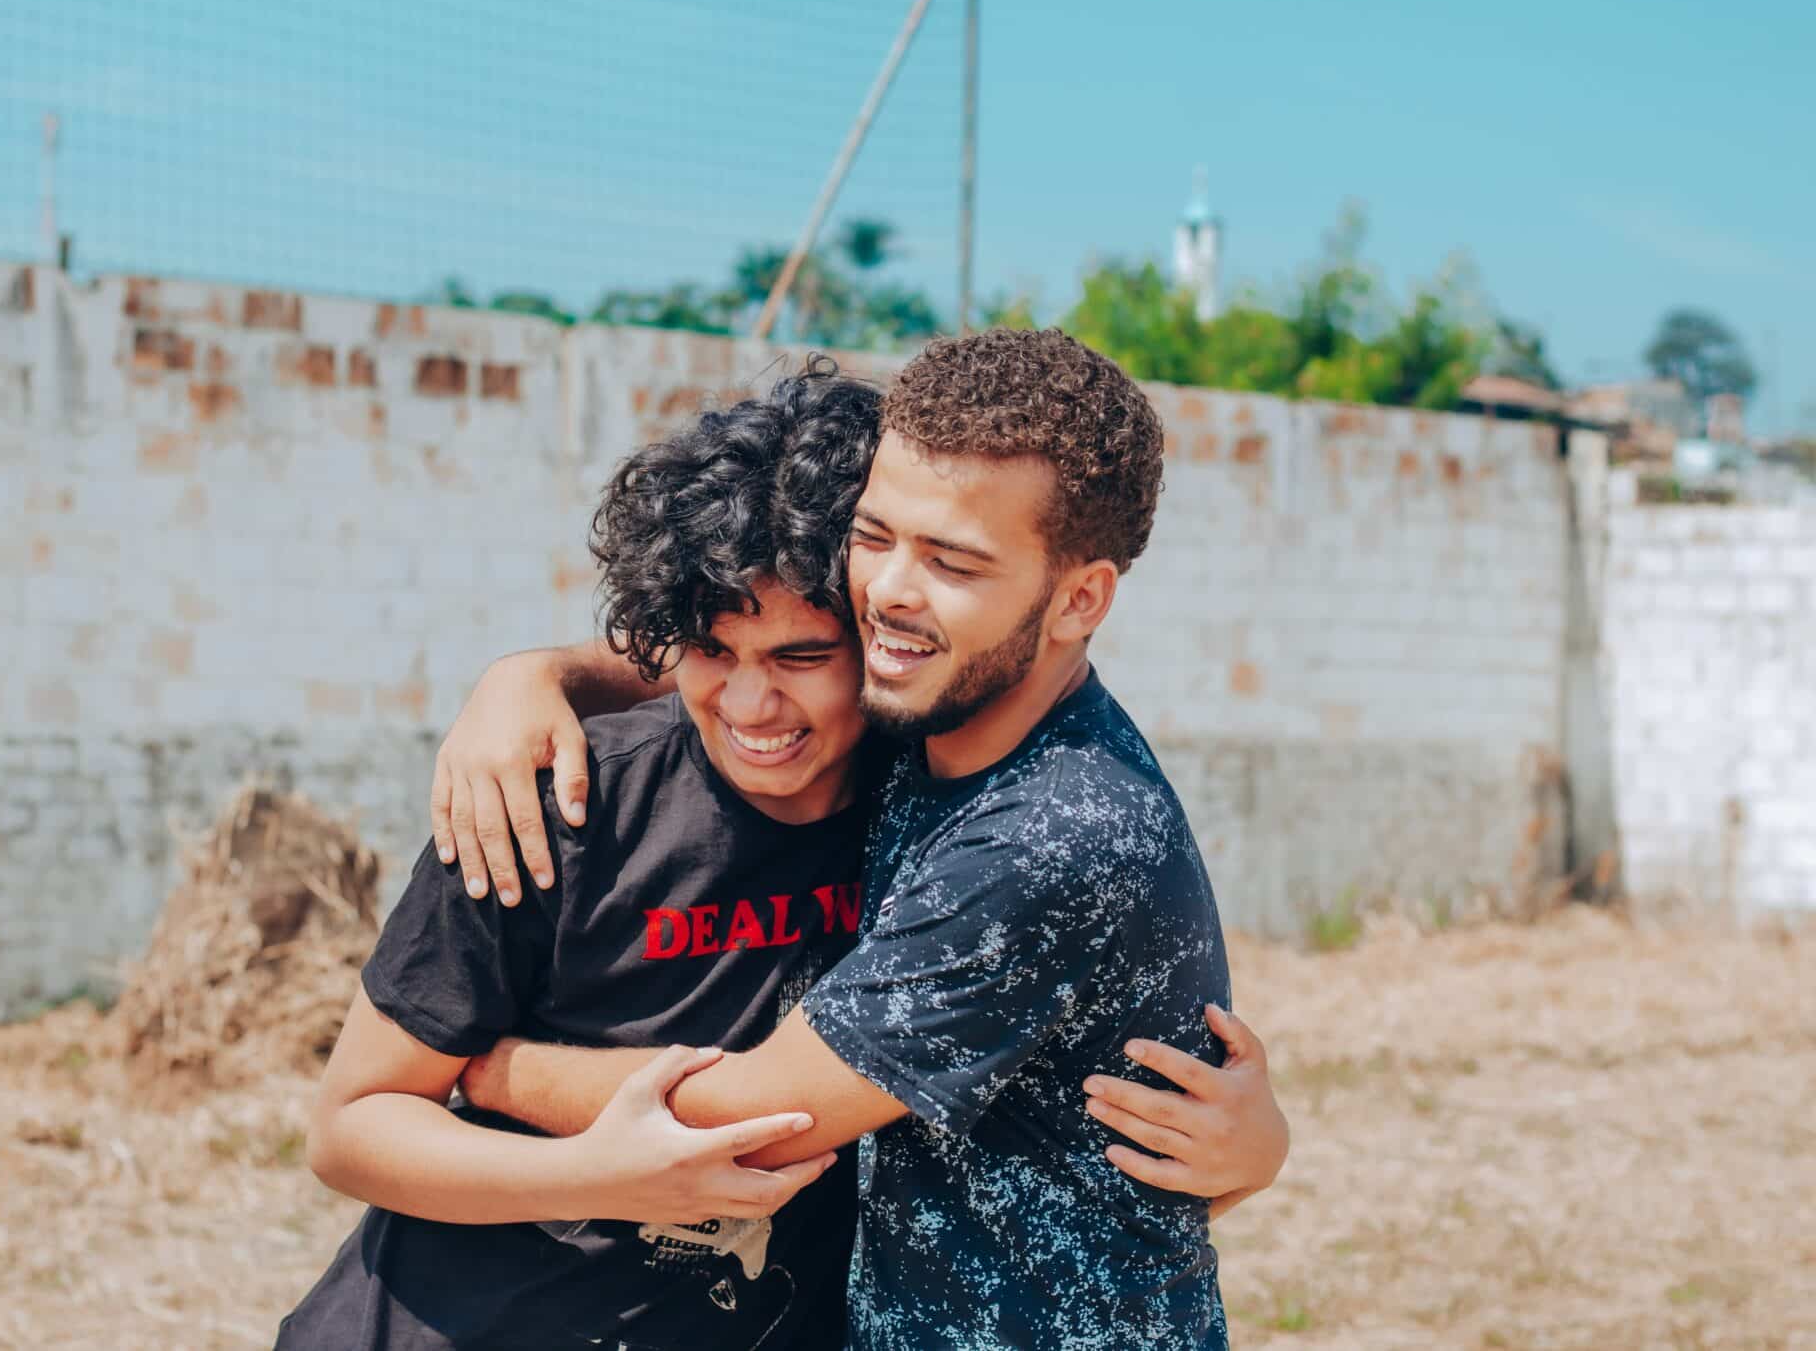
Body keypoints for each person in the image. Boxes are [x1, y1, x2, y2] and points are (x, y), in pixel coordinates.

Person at [279, 360, 1280, 1351]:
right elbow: (351, 1124)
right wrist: (531, 675)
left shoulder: (1018, 822)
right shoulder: (555, 799)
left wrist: (492, 1074)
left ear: (1076, 601)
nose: (892, 592)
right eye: (875, 541)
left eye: (952, 562)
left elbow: (766, 1114)